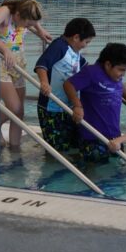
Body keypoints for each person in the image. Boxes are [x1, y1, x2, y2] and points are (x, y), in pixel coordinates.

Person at [0, 0, 51, 149]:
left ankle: (15, 148)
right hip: (0, 63)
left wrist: (39, 30)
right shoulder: (5, 12)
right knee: (14, 108)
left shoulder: (24, 14)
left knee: (20, 113)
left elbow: (31, 17)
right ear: (18, 15)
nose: (27, 27)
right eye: (27, 24)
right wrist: (4, 49)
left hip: (18, 63)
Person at [63, 43, 126, 162]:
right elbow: (68, 84)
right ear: (107, 64)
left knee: (116, 169)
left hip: (115, 136)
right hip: (93, 136)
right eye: (121, 70)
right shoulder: (91, 73)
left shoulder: (115, 76)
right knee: (94, 170)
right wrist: (77, 106)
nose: (123, 74)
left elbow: (120, 87)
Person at [34, 18, 95, 154]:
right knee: (56, 148)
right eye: (86, 42)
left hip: (66, 106)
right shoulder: (59, 46)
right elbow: (41, 65)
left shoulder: (74, 50)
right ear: (76, 37)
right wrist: (44, 82)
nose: (86, 45)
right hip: (51, 107)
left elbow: (87, 69)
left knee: (69, 144)